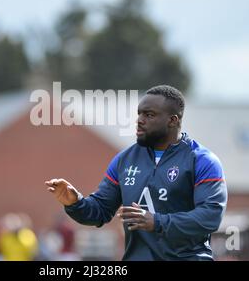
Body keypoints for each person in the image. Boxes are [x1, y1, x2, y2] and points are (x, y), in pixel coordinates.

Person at [45, 85, 228, 261]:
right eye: (139, 113)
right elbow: (99, 211)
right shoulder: (124, 160)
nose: (140, 120)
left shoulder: (202, 160)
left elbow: (210, 216)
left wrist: (157, 222)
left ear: (173, 120)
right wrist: (75, 203)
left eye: (149, 115)